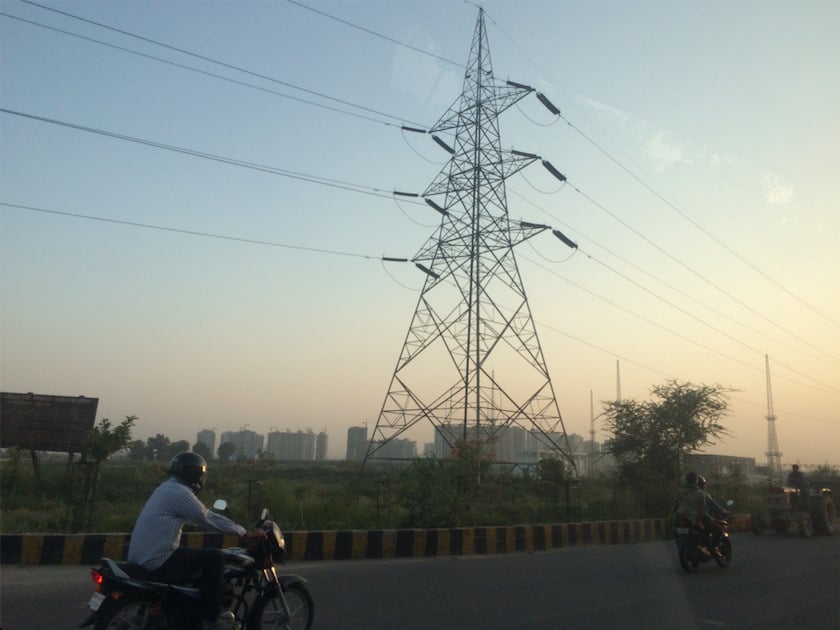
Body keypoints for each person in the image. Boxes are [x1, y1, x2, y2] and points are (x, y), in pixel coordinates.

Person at [127, 452, 264, 630]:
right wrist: (244, 532)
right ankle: (212, 618)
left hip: (141, 556)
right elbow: (207, 518)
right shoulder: (181, 493)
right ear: (194, 475)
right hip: (158, 559)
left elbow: (196, 517)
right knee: (216, 558)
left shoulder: (165, 488)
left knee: (192, 555)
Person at [696, 475, 727, 546]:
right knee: (718, 530)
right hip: (702, 518)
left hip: (686, 520)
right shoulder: (703, 494)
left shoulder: (684, 493)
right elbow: (714, 505)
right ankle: (713, 547)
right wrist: (724, 511)